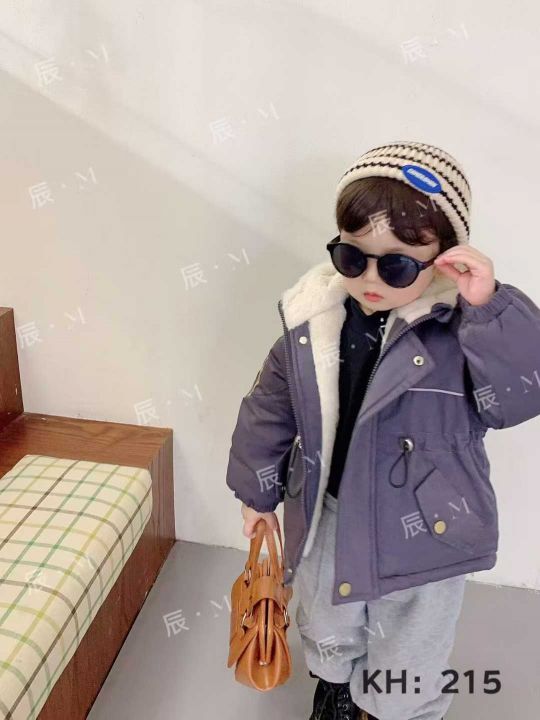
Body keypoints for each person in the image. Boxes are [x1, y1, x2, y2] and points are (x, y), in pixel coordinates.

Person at [225, 141, 540, 720]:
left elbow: (520, 397)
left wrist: (489, 306)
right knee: (326, 619)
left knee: (410, 643)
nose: (371, 278)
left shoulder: (464, 328)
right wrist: (257, 492)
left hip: (427, 523)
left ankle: (394, 708)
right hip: (328, 508)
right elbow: (270, 407)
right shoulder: (314, 322)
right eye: (352, 258)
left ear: (445, 257)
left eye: (396, 265)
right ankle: (336, 690)